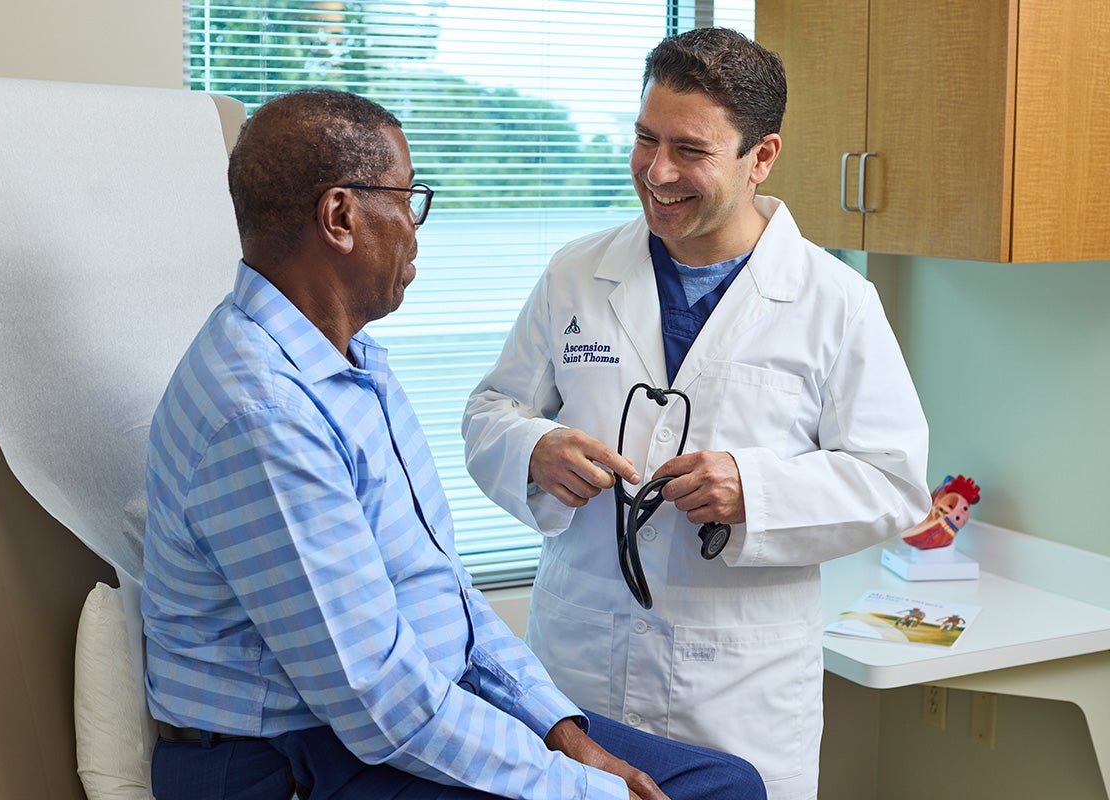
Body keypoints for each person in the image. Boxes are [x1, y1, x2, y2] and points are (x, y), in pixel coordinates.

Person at [141, 89, 765, 800]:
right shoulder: (264, 410)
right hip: (290, 760)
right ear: (340, 217)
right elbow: (376, 697)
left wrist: (562, 730)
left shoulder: (353, 365)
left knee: (722, 783)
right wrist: (584, 792)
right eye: (408, 199)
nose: (414, 226)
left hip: (383, 719)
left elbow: (444, 595)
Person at [462, 27, 930, 800]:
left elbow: (893, 482)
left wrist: (757, 491)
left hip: (737, 693)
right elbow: (491, 410)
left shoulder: (835, 302)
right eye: (646, 139)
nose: (658, 171)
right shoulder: (577, 272)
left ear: (762, 158)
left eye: (692, 150)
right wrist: (533, 446)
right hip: (577, 675)